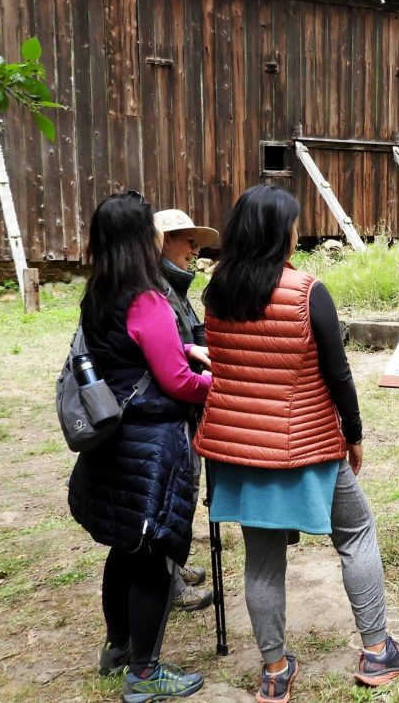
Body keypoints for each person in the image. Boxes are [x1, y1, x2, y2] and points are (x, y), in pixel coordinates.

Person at [195, 184, 399, 703]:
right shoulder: (306, 291)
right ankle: (376, 651)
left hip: (241, 446)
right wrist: (355, 433)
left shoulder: (217, 291)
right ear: (281, 233)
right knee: (357, 532)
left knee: (261, 559)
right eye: (294, 223)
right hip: (309, 444)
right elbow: (338, 372)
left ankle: (274, 671)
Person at [66, 191, 211, 703]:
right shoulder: (146, 298)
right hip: (150, 444)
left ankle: (117, 647)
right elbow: (175, 379)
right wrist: (216, 385)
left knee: (124, 547)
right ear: (140, 238)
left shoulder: (97, 293)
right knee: (151, 557)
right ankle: (145, 675)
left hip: (111, 440)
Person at [153, 207, 220, 613]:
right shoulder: (157, 291)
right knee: (170, 495)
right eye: (187, 239)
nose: (195, 249)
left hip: (183, 409)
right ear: (162, 241)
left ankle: (172, 569)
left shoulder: (174, 287)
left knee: (182, 492)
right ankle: (167, 584)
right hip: (170, 412)